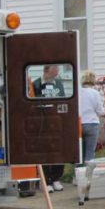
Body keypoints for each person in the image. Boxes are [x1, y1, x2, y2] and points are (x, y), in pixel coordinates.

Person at [33, 64, 67, 192]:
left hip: (56, 121)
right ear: (47, 70)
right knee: (45, 151)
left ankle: (56, 178)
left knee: (58, 150)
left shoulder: (58, 84)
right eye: (55, 68)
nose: (58, 71)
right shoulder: (36, 84)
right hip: (42, 122)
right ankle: (45, 179)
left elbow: (64, 100)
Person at [79, 71, 105, 165]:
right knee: (90, 153)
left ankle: (78, 172)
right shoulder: (95, 93)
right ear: (93, 80)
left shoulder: (78, 92)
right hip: (92, 124)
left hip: (79, 124)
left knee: (80, 153)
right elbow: (100, 110)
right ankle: (88, 175)